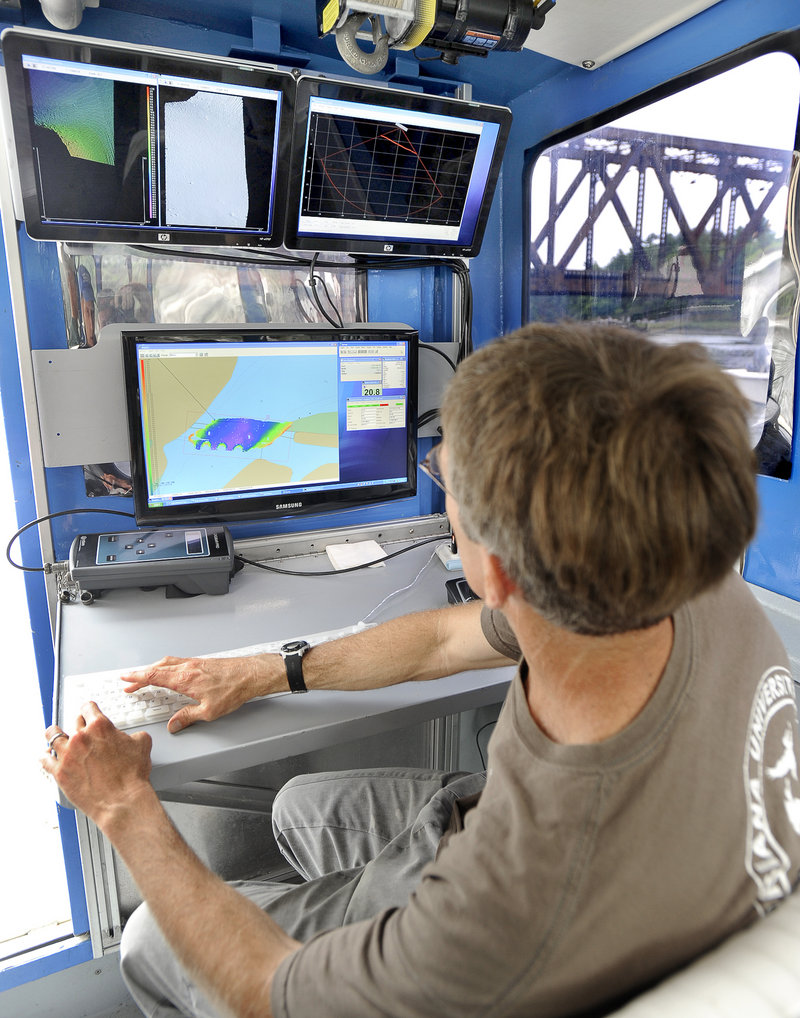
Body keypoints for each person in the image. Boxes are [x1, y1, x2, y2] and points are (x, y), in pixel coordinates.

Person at [43, 322, 800, 1018]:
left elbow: (263, 987)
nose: (442, 498)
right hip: (532, 831)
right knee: (298, 805)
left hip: (481, 901)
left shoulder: (503, 908)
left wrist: (122, 805)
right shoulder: (678, 571)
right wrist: (266, 670)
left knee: (148, 940)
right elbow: (442, 641)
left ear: (496, 572)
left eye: (447, 486)